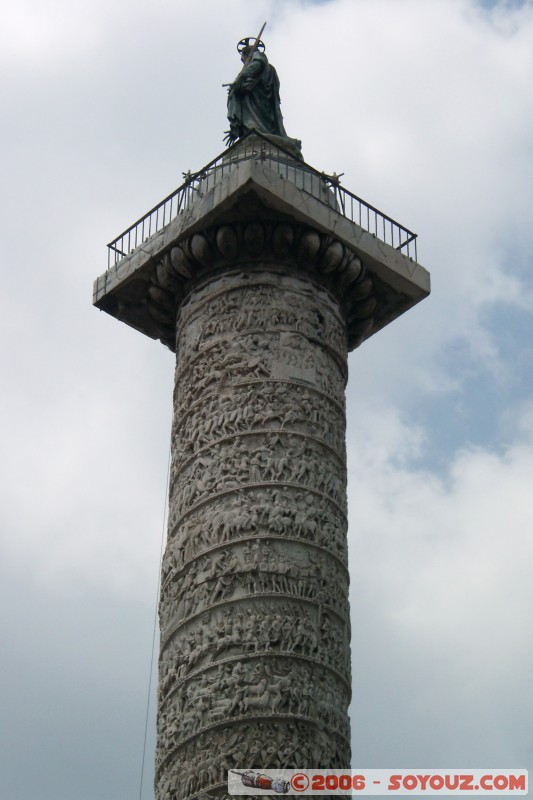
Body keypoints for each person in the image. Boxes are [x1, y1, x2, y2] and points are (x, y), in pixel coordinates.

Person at [224, 37, 301, 157]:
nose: (244, 62)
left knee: (258, 126)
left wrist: (240, 78)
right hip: (258, 102)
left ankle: (259, 135)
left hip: (258, 103)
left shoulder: (259, 57)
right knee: (259, 126)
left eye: (243, 59)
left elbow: (256, 64)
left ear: (246, 54)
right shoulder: (267, 68)